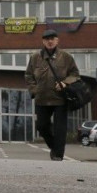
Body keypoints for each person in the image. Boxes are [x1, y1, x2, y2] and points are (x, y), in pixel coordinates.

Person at [24, 29, 81, 161]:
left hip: (60, 99)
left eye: (52, 38)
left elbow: (75, 74)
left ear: (57, 40)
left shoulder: (66, 57)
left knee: (60, 129)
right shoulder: (35, 57)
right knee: (41, 126)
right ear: (43, 41)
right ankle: (54, 147)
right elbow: (28, 75)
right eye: (47, 39)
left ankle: (58, 155)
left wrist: (65, 83)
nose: (50, 41)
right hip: (42, 98)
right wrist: (34, 90)